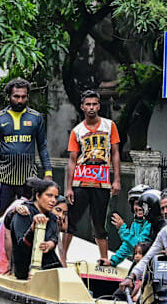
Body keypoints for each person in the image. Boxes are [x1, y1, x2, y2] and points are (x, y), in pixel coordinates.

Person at [63, 90, 122, 261]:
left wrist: (116, 179)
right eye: (88, 104)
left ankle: (103, 258)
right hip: (81, 180)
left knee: (99, 222)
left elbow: (115, 153)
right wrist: (68, 187)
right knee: (72, 220)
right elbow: (72, 160)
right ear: (82, 107)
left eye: (94, 104)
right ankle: (63, 258)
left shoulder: (109, 126)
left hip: (102, 181)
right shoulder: (77, 131)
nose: (91, 108)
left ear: (99, 105)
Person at [0, 78, 53, 220]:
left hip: (29, 176)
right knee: (0, 215)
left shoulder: (36, 117)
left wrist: (48, 172)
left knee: (31, 213)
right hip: (4, 176)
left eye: (23, 96)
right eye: (16, 96)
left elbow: (42, 146)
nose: (20, 100)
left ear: (27, 97)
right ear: (9, 96)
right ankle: (0, 241)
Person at [10, 178, 62, 279]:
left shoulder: (52, 217)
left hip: (48, 266)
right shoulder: (24, 212)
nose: (53, 201)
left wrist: (49, 244)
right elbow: (21, 247)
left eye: (55, 197)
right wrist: (33, 228)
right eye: (49, 195)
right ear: (38, 196)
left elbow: (54, 239)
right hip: (26, 270)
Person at [99, 184, 152, 267]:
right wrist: (112, 261)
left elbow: (140, 246)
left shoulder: (150, 223)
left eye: (142, 204)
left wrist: (122, 229)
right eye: (137, 204)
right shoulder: (136, 223)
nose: (139, 208)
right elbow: (127, 246)